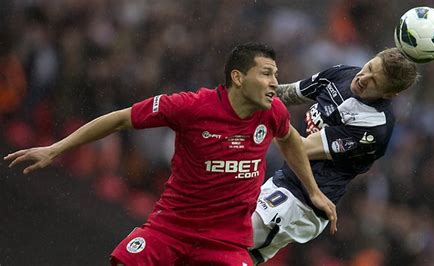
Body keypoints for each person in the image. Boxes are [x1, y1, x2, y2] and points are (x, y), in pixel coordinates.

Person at [4, 43, 337, 265]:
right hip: (171, 230)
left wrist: (314, 192)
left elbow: (291, 140)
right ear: (238, 77)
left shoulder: (272, 112)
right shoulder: (191, 106)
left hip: (227, 244)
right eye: (267, 73)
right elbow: (121, 119)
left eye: (276, 75)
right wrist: (56, 148)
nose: (274, 83)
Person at [249, 47, 419, 264]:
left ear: (388, 94)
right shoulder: (343, 73)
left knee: (228, 235)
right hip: (284, 180)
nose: (363, 78)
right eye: (369, 67)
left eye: (375, 81)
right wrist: (254, 91)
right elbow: (288, 93)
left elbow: (299, 148)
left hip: (304, 203)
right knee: (236, 253)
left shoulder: (373, 128)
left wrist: (259, 105)